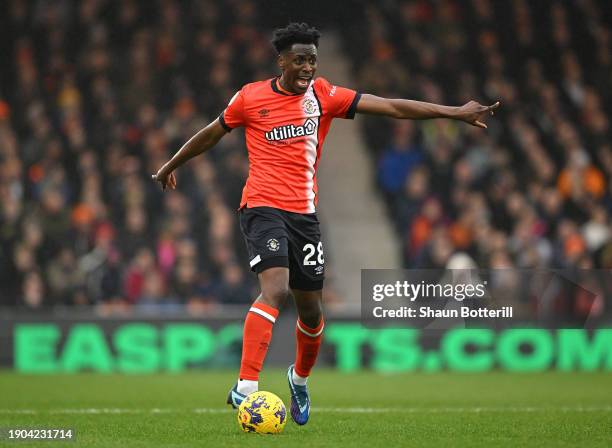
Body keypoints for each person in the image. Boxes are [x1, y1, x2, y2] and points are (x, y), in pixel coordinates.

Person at [152, 22, 499, 425]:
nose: (306, 67)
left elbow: (390, 106)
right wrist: (170, 165)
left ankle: (298, 380)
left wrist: (454, 112)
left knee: (312, 314)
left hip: (305, 215)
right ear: (281, 60)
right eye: (299, 60)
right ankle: (246, 385)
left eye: (312, 60)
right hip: (262, 206)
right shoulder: (250, 97)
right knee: (276, 288)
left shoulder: (325, 95)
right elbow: (211, 134)